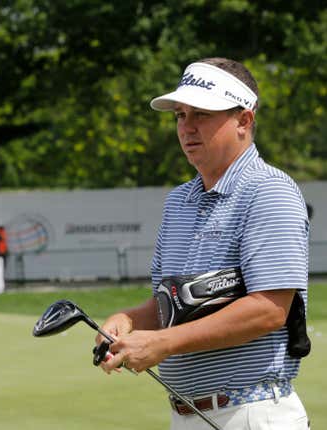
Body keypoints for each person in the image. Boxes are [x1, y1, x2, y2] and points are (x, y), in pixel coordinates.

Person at [96, 58, 310, 429]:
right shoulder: (179, 201)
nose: (187, 128)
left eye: (202, 114)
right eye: (180, 115)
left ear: (244, 120)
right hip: (187, 415)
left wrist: (163, 344)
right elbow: (171, 304)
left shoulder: (269, 192)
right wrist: (128, 321)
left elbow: (269, 309)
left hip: (252, 414)